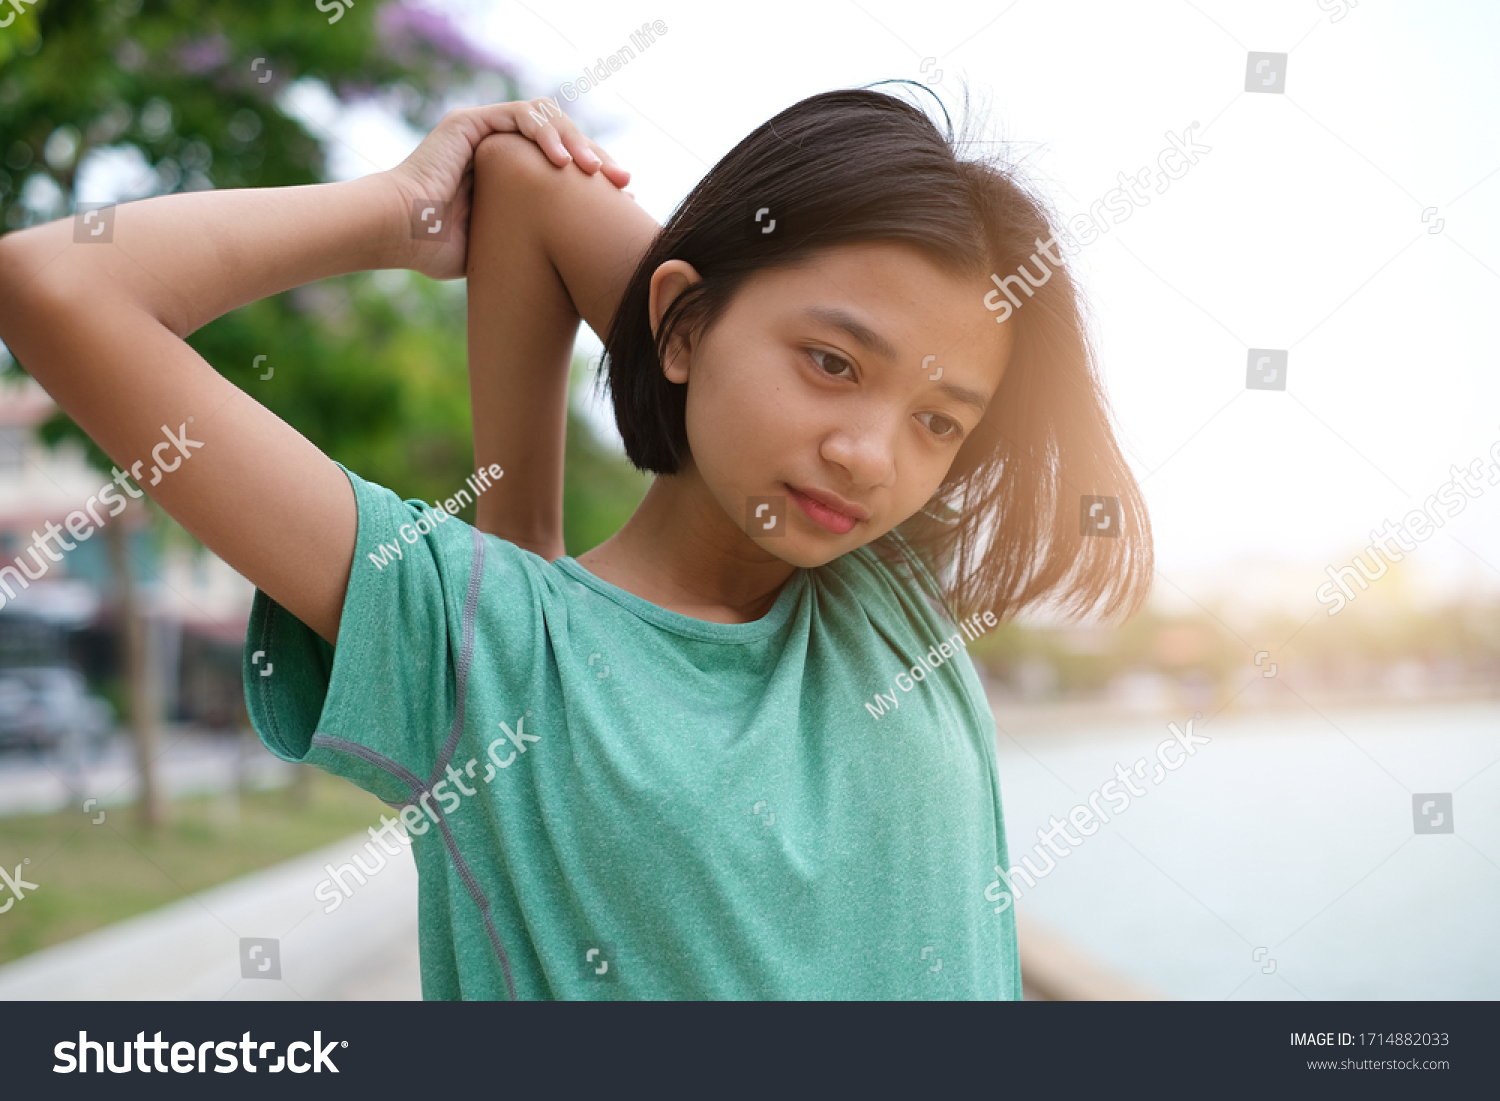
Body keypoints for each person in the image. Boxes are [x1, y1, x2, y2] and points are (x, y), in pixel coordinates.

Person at [0, 84, 1151, 999]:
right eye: (833, 363)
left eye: (938, 421)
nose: (870, 454)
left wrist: (524, 529)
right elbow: (55, 280)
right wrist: (399, 212)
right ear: (681, 322)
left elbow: (529, 187)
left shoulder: (884, 595)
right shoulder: (469, 640)